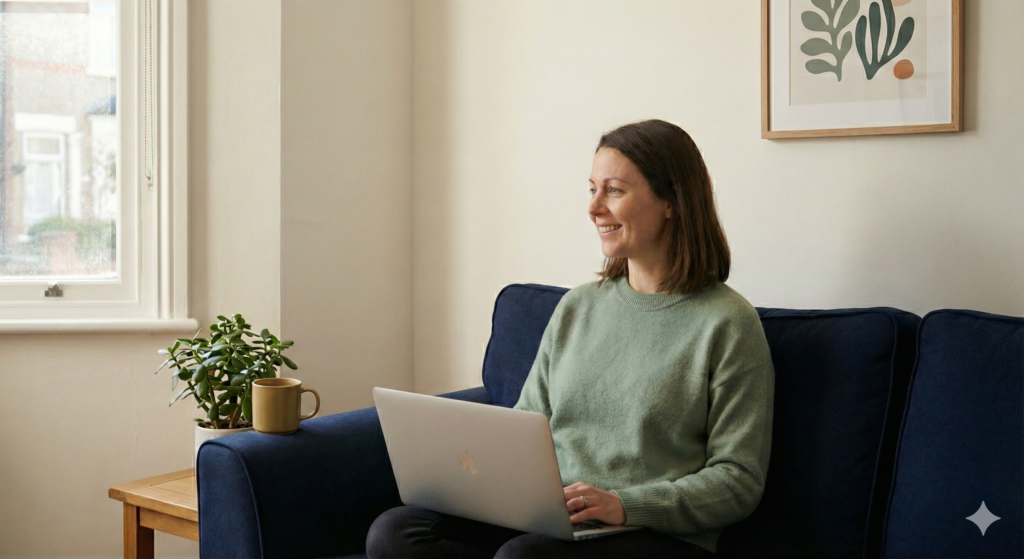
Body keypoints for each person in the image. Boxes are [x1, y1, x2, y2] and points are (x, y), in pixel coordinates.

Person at [366, 119, 774, 559]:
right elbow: (524, 427)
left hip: (652, 533)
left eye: (614, 190)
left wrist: (624, 504)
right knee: (396, 532)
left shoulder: (728, 322)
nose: (594, 207)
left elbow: (738, 479)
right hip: (555, 518)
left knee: (525, 556)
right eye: (592, 189)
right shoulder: (578, 307)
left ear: (671, 201)